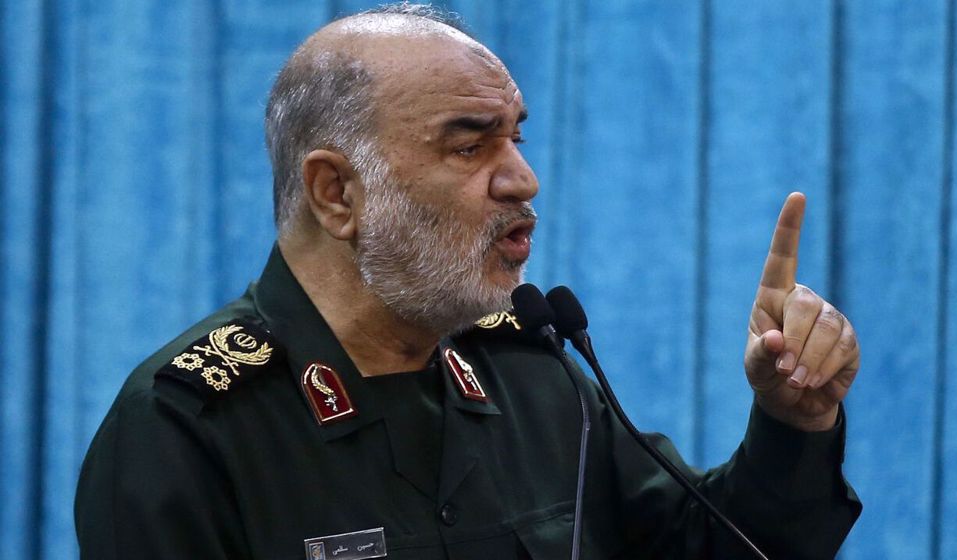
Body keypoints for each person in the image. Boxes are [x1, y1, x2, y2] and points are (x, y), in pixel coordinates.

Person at [75, 4, 861, 559]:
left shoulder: (536, 373)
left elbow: (717, 550)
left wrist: (793, 422)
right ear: (337, 194)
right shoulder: (190, 424)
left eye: (516, 138)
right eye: (470, 144)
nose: (524, 179)